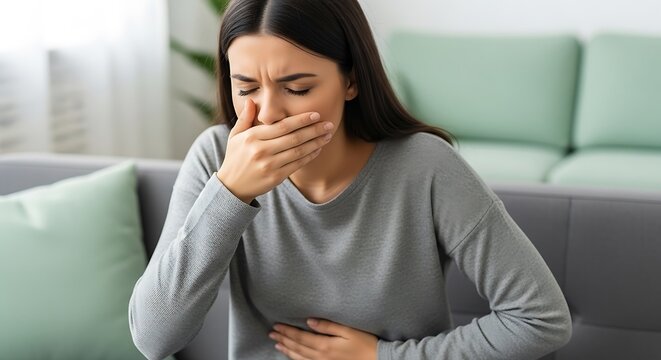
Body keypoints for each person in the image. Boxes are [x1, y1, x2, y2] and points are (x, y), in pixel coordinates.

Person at [128, 0, 572, 359]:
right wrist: (230, 193)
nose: (267, 114)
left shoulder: (426, 167)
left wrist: (382, 358)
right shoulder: (215, 158)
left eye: (297, 88)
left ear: (351, 81)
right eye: (246, 88)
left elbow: (540, 319)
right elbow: (154, 338)